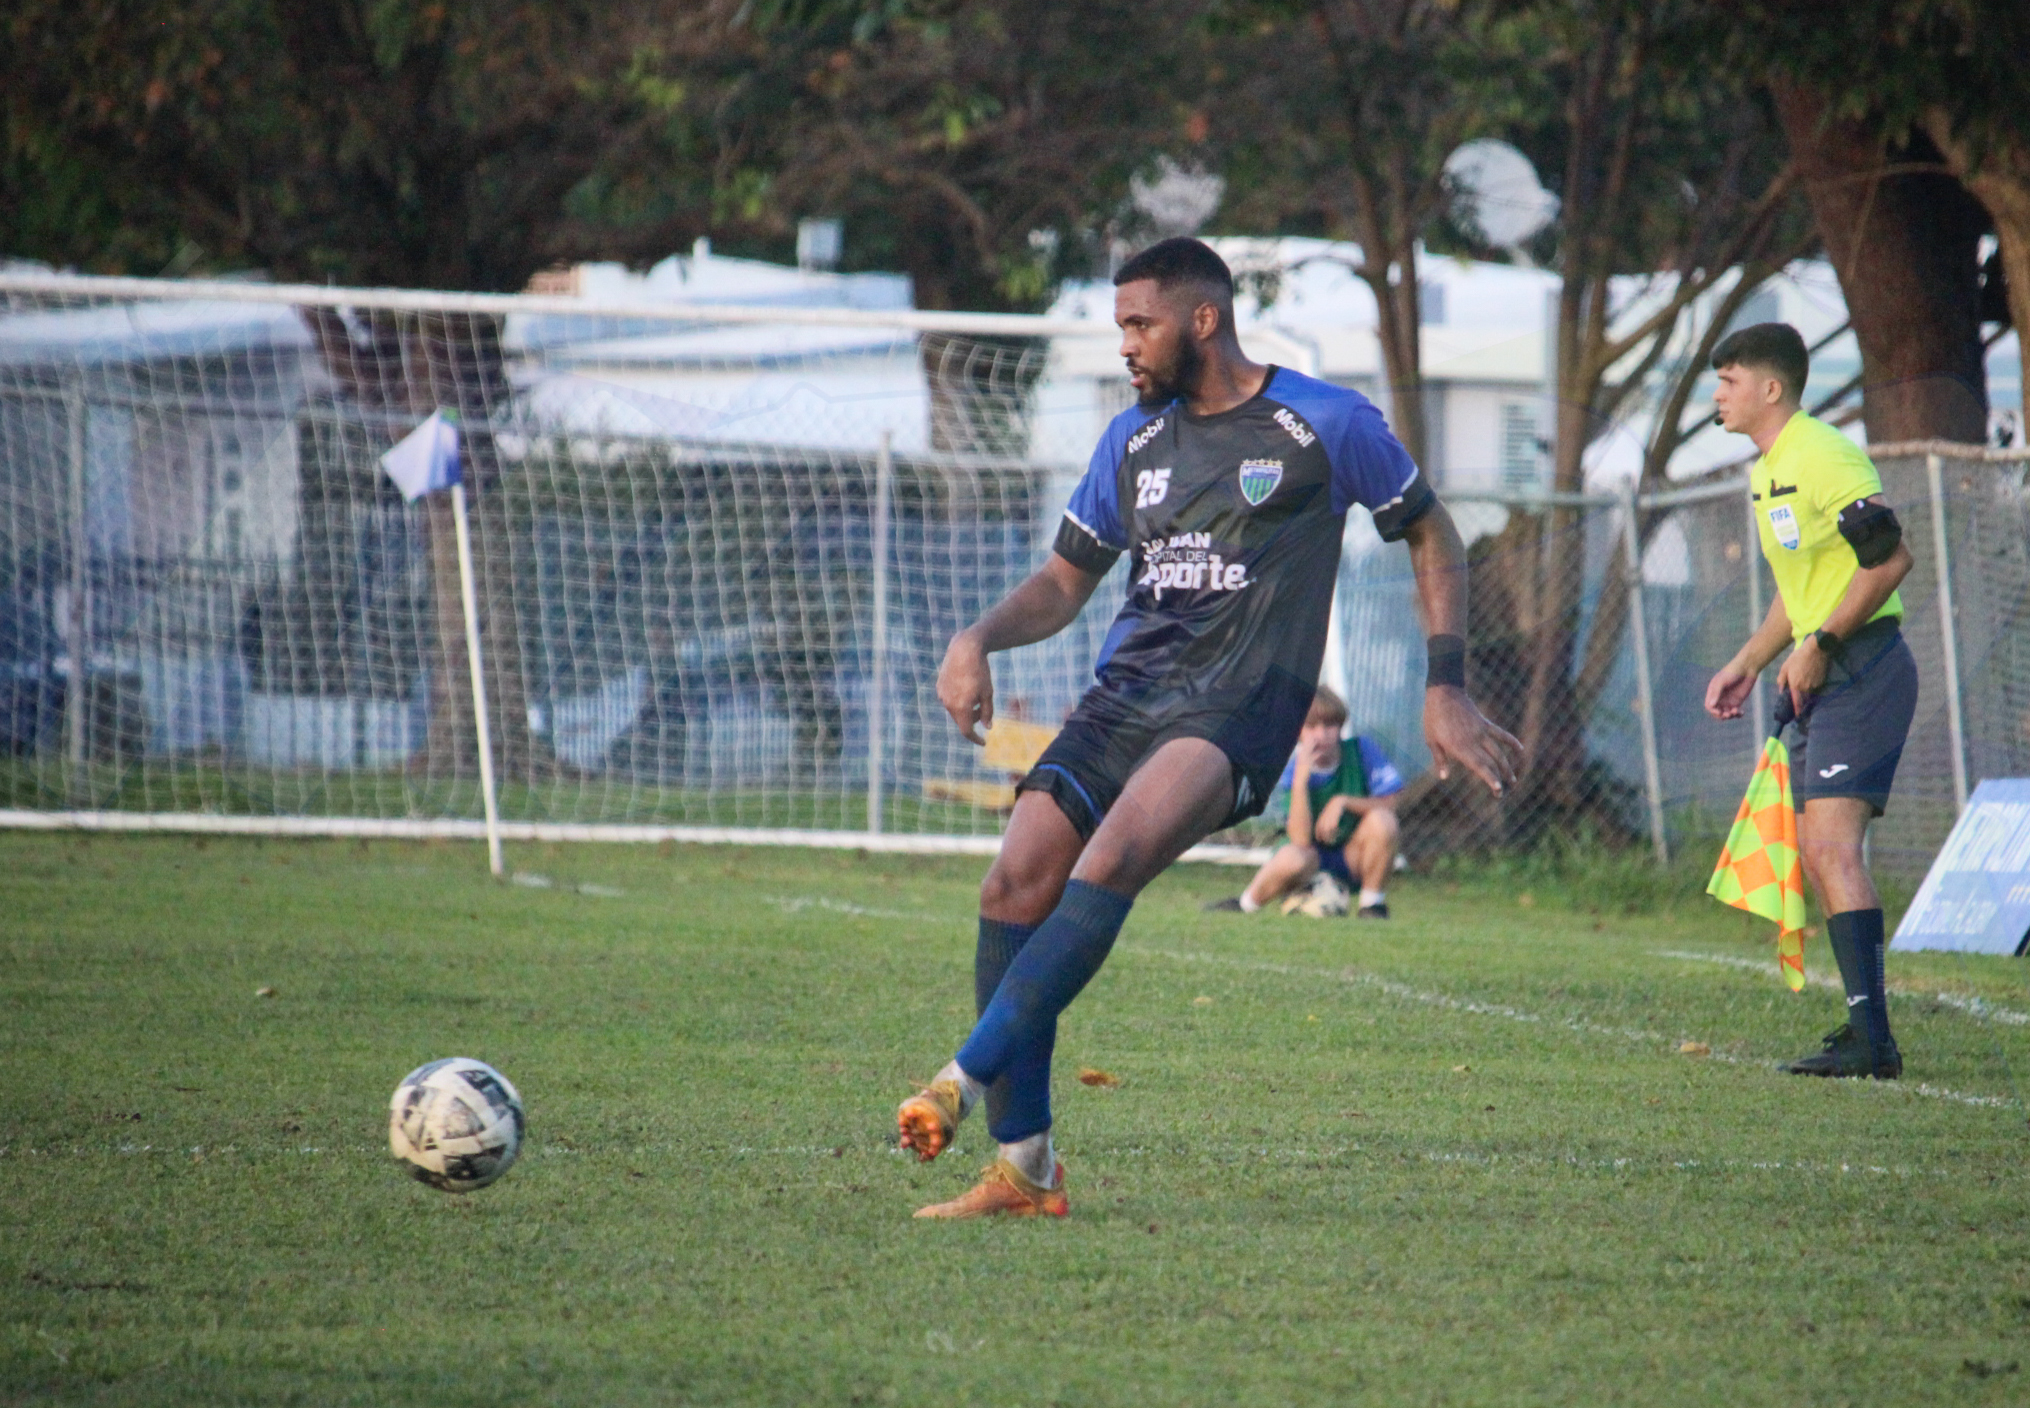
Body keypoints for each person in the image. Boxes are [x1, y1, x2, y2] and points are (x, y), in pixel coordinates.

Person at [894, 237, 1521, 1219]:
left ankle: (957, 1083)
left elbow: (1428, 529)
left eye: (1138, 325)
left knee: (1110, 856)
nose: (1125, 347)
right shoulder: (1132, 443)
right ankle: (1024, 1169)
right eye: (1118, 329)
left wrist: (1445, 684)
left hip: (1240, 704)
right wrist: (975, 636)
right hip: (1125, 696)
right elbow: (1064, 584)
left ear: (1202, 320)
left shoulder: (1322, 421)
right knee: (1012, 879)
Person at [1702, 322, 1916, 1080]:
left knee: (1830, 849)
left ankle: (1873, 1043)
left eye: (1727, 382)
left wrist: (1821, 646)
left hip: (1863, 671)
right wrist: (1750, 661)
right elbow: (1800, 594)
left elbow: (1890, 559)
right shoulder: (1768, 470)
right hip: (1824, 673)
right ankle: (1868, 1036)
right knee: (1823, 855)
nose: (1716, 396)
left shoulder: (1822, 454)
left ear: (1770, 388)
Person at [1205, 685, 1403, 919]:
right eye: (1311, 727)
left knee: (1384, 821)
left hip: (1353, 854)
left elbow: (1392, 803)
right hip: (1310, 861)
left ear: (1340, 727)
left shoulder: (1361, 750)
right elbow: (1299, 840)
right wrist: (1301, 782)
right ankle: (1245, 904)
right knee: (1293, 857)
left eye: (1329, 726)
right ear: (1298, 731)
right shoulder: (1290, 770)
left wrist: (1343, 801)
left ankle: (1371, 906)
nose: (1321, 735)